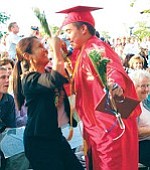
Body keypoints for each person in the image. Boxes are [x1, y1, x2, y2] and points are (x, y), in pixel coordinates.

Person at [54, 6, 141, 170]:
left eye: (69, 31)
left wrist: (115, 85)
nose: (67, 36)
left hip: (111, 127)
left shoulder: (96, 48)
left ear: (84, 29)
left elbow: (112, 70)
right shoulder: (79, 53)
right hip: (96, 127)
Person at [12, 36, 84, 170]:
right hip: (39, 143)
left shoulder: (48, 72)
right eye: (40, 47)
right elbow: (55, 79)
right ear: (28, 56)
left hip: (55, 136)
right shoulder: (28, 80)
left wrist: (64, 53)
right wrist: (56, 49)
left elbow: (70, 77)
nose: (45, 49)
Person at [129, 70, 150, 167]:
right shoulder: (131, 105)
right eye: (142, 86)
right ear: (133, 86)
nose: (146, 89)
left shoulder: (144, 101)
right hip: (140, 145)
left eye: (148, 85)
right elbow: (135, 131)